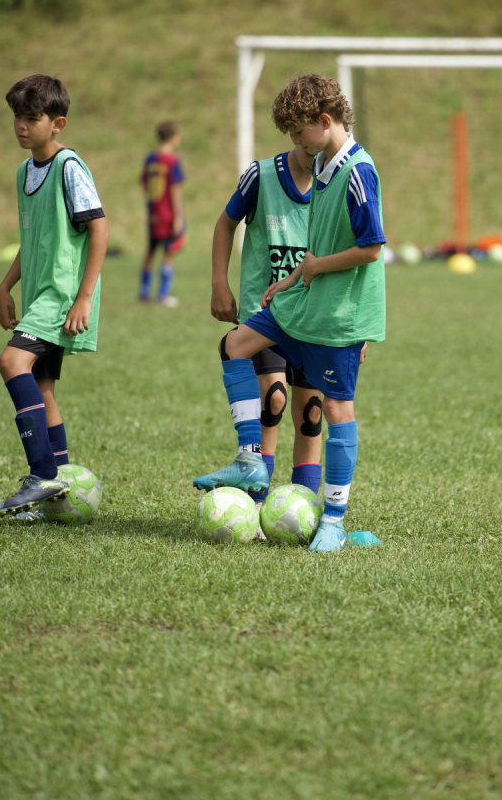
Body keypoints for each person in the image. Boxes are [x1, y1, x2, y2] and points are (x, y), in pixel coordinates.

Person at [194, 74, 385, 553]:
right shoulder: (322, 167)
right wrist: (292, 278)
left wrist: (316, 269)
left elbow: (371, 249)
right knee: (235, 345)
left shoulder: (358, 171)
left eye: (300, 131)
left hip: (336, 316)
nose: (296, 142)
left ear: (325, 120)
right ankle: (249, 460)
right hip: (300, 302)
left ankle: (333, 519)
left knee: (332, 410)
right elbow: (316, 245)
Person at [0, 74, 109, 522]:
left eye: (31, 117)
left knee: (11, 362)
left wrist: (84, 297)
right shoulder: (24, 172)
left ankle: (42, 474)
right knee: (43, 388)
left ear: (57, 123)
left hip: (61, 296)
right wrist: (6, 285)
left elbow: (99, 229)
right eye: (17, 117)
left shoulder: (69, 167)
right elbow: (33, 238)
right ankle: (55, 491)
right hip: (39, 294)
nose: (21, 126)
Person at [210, 143, 324, 515]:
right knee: (273, 399)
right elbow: (225, 223)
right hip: (265, 314)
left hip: (313, 318)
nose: (315, 155)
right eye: (306, 144)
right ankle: (256, 506)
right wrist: (219, 283)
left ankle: (304, 509)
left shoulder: (335, 181)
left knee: (311, 414)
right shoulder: (261, 176)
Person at [139, 122, 186, 303]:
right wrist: (179, 216)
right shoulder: (173, 160)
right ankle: (163, 295)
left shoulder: (151, 159)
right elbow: (175, 188)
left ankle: (144, 292)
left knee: (150, 252)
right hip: (168, 214)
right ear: (173, 137)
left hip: (154, 214)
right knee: (168, 252)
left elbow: (145, 182)